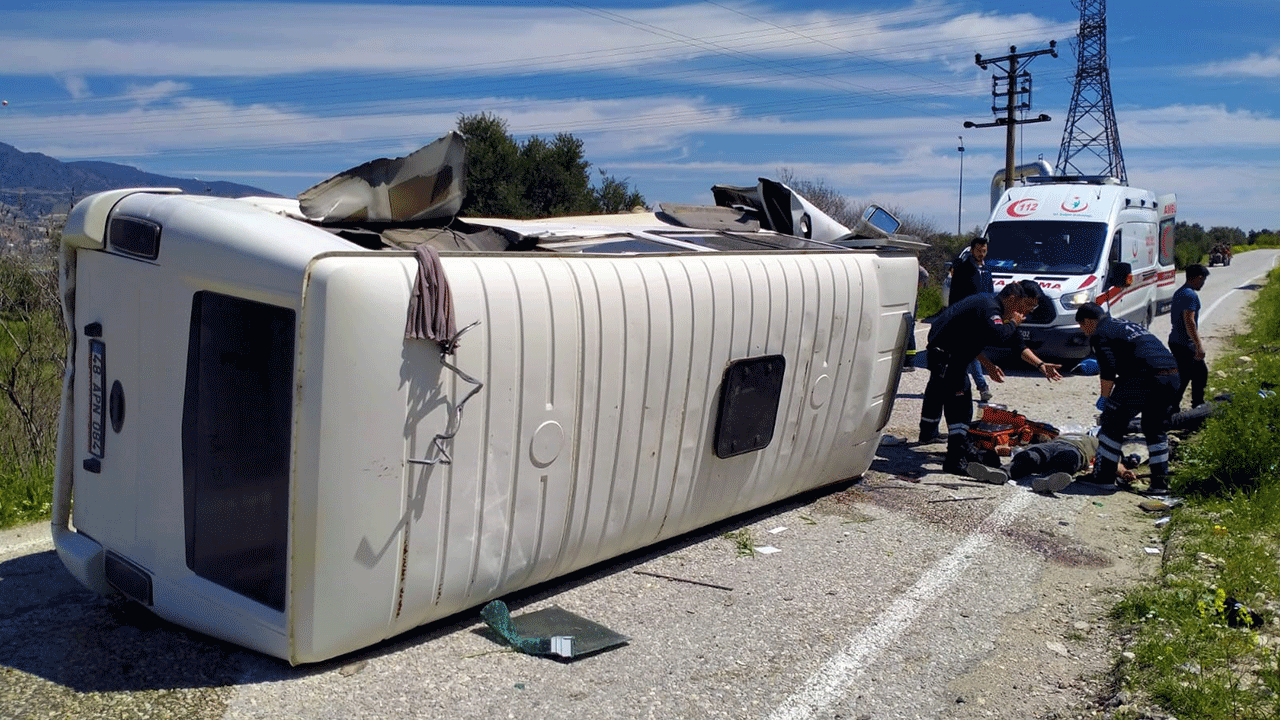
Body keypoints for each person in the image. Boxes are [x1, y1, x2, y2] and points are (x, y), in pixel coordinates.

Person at [919, 280, 1063, 477]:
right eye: (1027, 306)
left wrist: (1041, 365)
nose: (1027, 312)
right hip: (945, 357)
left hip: (952, 357)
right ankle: (955, 458)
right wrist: (1013, 323)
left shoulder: (991, 307)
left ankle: (961, 449)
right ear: (1013, 298)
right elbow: (998, 336)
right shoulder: (990, 308)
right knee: (959, 407)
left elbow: (1015, 343)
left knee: (962, 403)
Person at [1075, 302, 1180, 495]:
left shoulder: (1100, 332)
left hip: (1143, 378)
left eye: (1082, 326)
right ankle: (1160, 484)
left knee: (1111, 423)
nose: (1084, 331)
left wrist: (1105, 399)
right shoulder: (1123, 325)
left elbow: (1108, 369)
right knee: (1155, 428)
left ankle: (1103, 478)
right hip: (1172, 376)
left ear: (1089, 321)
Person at [948, 237, 994, 403]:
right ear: (972, 250)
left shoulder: (987, 270)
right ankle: (982, 387)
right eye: (979, 250)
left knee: (968, 353)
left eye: (984, 251)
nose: (982, 254)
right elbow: (955, 294)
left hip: (980, 318)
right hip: (964, 318)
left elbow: (990, 294)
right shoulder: (963, 268)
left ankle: (957, 386)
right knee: (971, 353)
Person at [1169, 264, 1210, 412]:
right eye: (1203, 280)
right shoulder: (1190, 295)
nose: (1203, 283)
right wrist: (1198, 345)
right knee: (1199, 374)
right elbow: (1189, 321)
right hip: (1184, 342)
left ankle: (1173, 407)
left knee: (1185, 375)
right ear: (1198, 278)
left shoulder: (1180, 292)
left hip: (1176, 340)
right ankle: (1196, 406)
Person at [903, 263, 930, 371]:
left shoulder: (916, 267)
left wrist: (917, 284)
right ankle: (905, 360)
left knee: (909, 330)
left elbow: (925, 275)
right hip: (906, 298)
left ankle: (910, 362)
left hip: (912, 300)